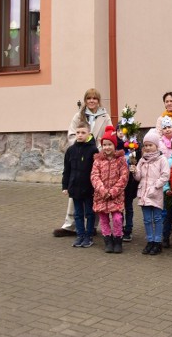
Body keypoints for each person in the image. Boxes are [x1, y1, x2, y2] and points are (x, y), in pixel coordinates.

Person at [54, 88, 112, 238]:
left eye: (95, 98)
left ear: (98, 101)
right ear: (85, 100)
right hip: (80, 156)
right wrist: (80, 146)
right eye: (89, 98)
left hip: (96, 156)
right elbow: (72, 134)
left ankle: (92, 226)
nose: (92, 101)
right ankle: (70, 225)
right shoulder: (78, 116)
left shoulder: (105, 116)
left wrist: (99, 151)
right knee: (76, 189)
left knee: (95, 191)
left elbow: (108, 135)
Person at [90, 128, 128, 254]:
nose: (107, 147)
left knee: (117, 218)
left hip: (115, 196)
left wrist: (112, 192)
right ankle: (108, 240)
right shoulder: (98, 161)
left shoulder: (120, 160)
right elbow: (94, 176)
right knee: (104, 219)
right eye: (104, 145)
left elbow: (124, 177)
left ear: (114, 145)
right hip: (101, 196)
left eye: (109, 144)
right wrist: (102, 190)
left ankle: (118, 239)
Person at [133, 128, 170, 256]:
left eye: (150, 145)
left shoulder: (162, 159)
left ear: (156, 146)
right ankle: (150, 240)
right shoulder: (142, 160)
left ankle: (157, 241)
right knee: (147, 219)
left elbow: (165, 175)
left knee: (158, 218)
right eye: (146, 145)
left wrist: (156, 186)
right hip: (143, 193)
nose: (148, 148)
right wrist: (134, 172)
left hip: (156, 193)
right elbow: (138, 177)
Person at [61, 122, 98, 248]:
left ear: (89, 134)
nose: (80, 135)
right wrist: (65, 186)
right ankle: (80, 235)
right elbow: (67, 170)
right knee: (77, 213)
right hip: (74, 188)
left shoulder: (93, 150)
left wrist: (96, 187)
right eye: (78, 133)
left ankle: (89, 236)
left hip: (88, 188)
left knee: (89, 213)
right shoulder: (71, 150)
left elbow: (96, 170)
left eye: (83, 132)